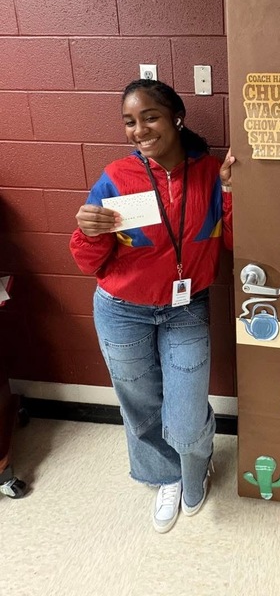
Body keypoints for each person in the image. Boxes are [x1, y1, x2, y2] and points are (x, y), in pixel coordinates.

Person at [70, 79, 234, 533]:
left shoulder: (209, 173)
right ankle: (164, 477)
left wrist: (235, 194)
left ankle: (194, 463)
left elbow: (237, 241)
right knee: (140, 406)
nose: (139, 130)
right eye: (129, 122)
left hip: (185, 308)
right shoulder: (117, 177)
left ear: (177, 117)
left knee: (184, 414)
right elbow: (90, 263)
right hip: (122, 309)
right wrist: (89, 229)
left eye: (150, 117)